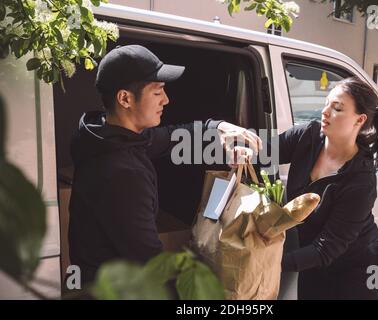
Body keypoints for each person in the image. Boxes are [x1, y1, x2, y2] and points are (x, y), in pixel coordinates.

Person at [68, 45, 260, 285]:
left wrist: (217, 126)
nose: (166, 100)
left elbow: (170, 136)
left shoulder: (109, 136)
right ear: (125, 98)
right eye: (157, 92)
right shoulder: (122, 173)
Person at [277, 77, 378, 299]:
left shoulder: (361, 179)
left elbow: (326, 248)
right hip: (316, 266)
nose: (325, 111)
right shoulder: (307, 137)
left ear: (359, 120)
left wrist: (271, 260)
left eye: (337, 108)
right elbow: (264, 151)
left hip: (362, 271)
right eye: (327, 103)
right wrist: (234, 141)